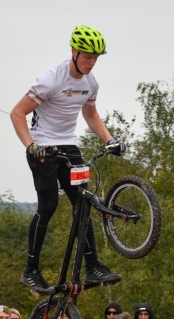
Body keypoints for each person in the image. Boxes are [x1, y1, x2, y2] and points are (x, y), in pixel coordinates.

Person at [11, 24, 124, 294]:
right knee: (48, 206)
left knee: (82, 204)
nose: (91, 63)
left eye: (96, 58)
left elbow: (91, 115)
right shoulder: (52, 78)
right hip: (43, 149)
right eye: (87, 56)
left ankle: (93, 267)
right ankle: (31, 271)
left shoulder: (90, 83)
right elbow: (17, 113)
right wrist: (31, 146)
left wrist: (109, 139)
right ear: (73, 51)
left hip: (69, 146)